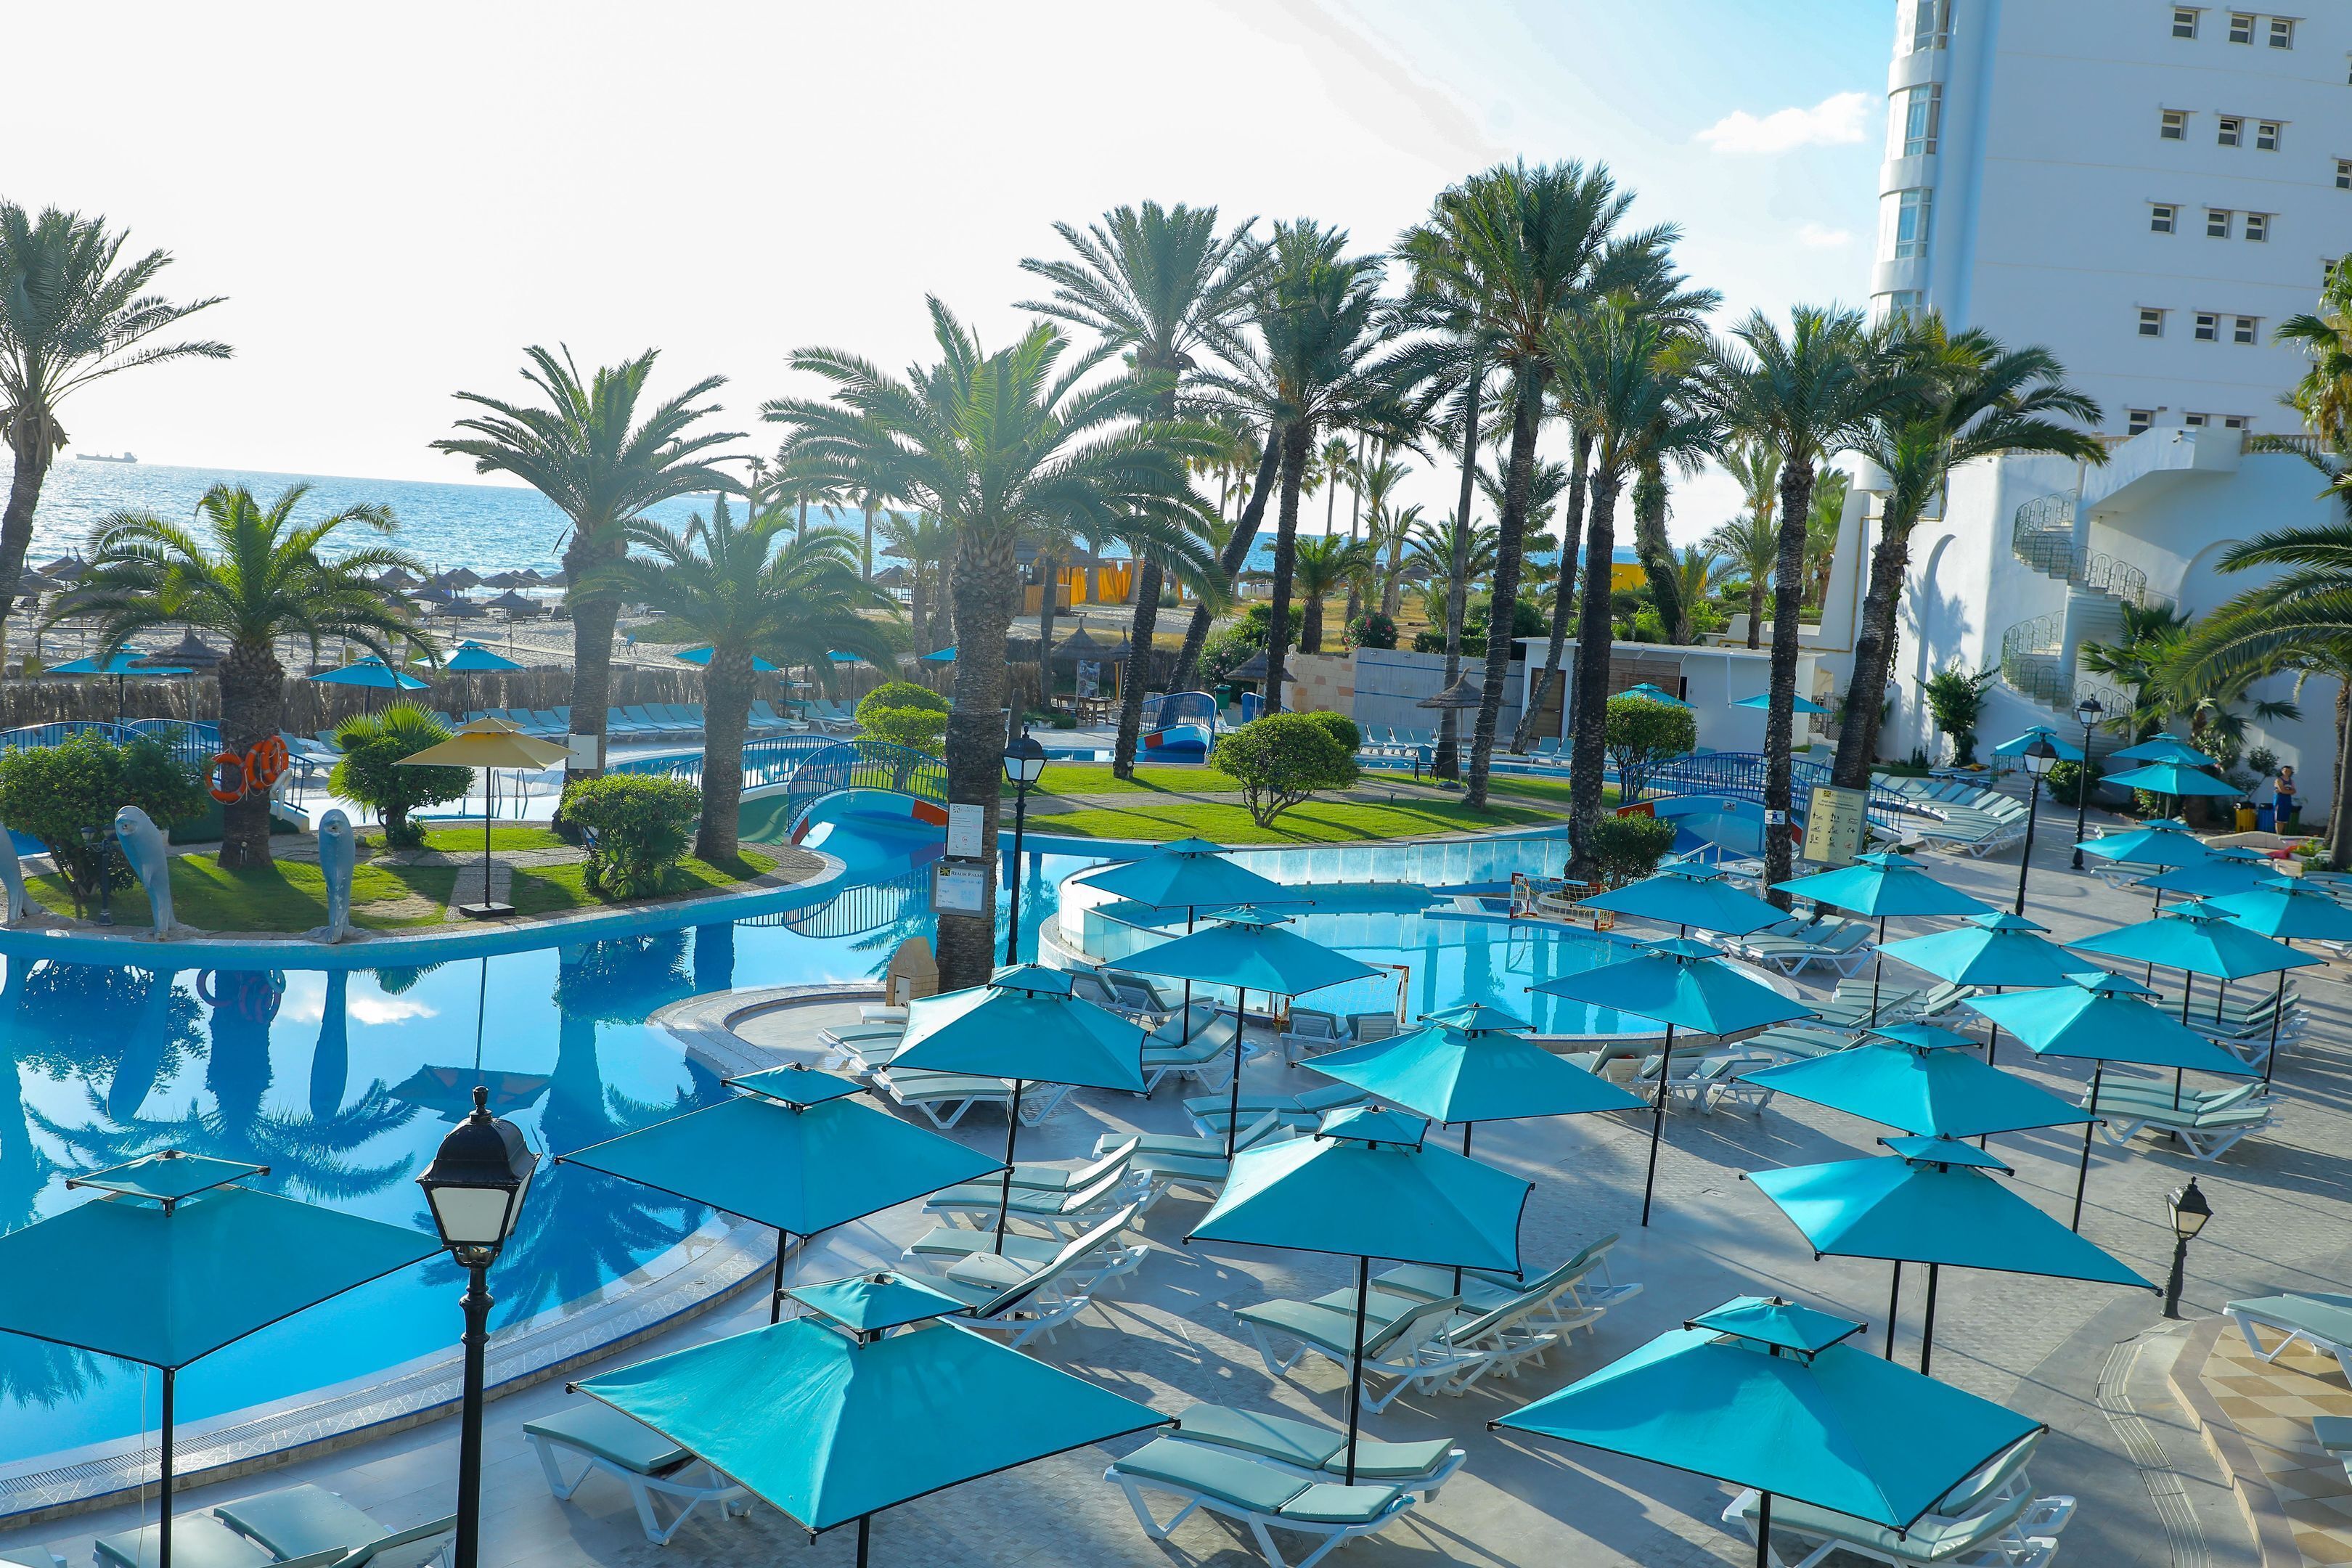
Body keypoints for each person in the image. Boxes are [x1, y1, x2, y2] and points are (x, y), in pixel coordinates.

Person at [2273, 763, 2298, 830]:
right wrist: (2287, 791)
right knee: (2279, 819)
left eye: (2288, 771)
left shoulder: (2291, 781)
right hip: (2280, 800)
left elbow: (2294, 791)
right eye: (2285, 770)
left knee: (2284, 819)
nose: (2287, 772)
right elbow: (2283, 790)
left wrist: (2285, 791)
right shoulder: (2279, 780)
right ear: (2282, 771)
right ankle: (2278, 835)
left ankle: (2281, 834)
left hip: (2287, 800)